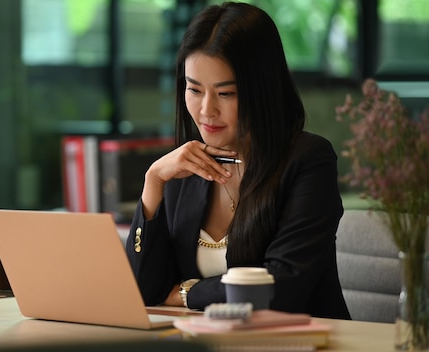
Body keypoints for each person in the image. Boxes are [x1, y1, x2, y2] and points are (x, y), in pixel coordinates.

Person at [125, 1, 350, 320]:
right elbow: (142, 290)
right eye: (194, 89)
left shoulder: (308, 161)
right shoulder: (184, 168)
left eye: (226, 93)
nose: (206, 111)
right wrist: (154, 180)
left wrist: (189, 293)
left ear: (262, 90)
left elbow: (280, 288)